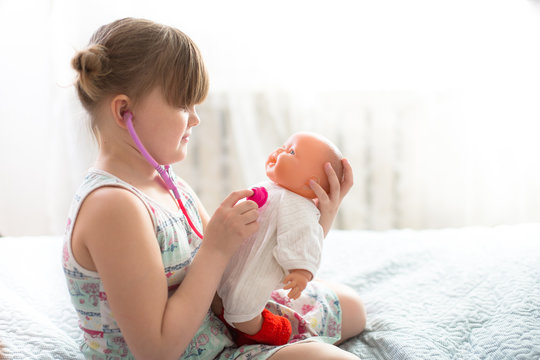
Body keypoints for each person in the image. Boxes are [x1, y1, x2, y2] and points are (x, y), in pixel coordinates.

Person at [63, 17, 365, 360]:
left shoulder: (167, 182)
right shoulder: (113, 208)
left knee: (352, 307)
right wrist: (216, 249)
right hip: (191, 352)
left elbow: (235, 270)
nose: (195, 118)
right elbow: (156, 350)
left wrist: (313, 223)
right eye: (182, 104)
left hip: (217, 324)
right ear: (124, 111)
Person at [217, 132, 345, 346]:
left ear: (311, 183)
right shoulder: (271, 187)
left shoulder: (300, 207)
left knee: (243, 315)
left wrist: (301, 271)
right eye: (284, 146)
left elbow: (305, 239)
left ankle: (272, 331)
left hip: (254, 277)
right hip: (234, 262)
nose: (279, 151)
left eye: (291, 152)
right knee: (222, 299)